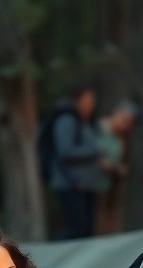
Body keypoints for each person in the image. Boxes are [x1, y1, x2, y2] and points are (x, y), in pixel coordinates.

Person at [45, 81, 101, 240]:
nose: (91, 105)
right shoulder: (66, 120)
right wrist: (94, 151)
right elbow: (65, 151)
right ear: (77, 100)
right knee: (77, 228)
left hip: (85, 186)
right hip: (71, 184)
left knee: (85, 231)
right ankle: (55, 256)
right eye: (87, 100)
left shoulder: (85, 121)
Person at [92, 100, 139, 236]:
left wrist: (119, 169)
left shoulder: (124, 139)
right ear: (116, 114)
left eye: (129, 123)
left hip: (111, 187)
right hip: (92, 186)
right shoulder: (96, 128)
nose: (126, 125)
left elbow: (124, 162)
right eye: (124, 120)